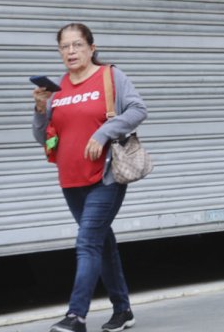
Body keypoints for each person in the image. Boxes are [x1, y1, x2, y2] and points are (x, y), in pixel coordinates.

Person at [33, 23, 147, 332]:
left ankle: (76, 316)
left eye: (77, 45)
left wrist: (103, 132)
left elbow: (138, 110)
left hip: (105, 177)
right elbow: (42, 137)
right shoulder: (58, 88)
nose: (70, 51)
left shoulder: (110, 77)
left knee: (87, 243)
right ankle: (123, 310)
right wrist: (41, 109)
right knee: (102, 243)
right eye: (64, 47)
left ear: (91, 48)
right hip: (70, 180)